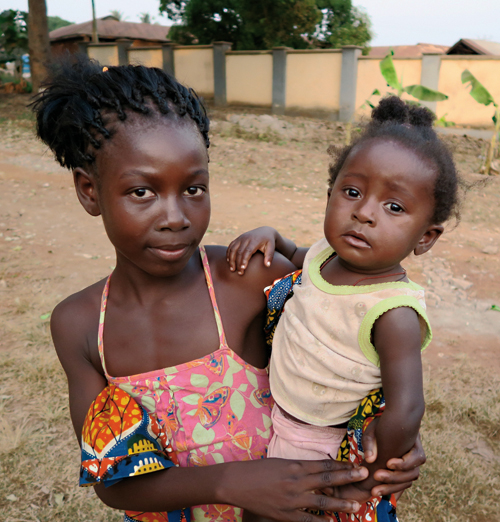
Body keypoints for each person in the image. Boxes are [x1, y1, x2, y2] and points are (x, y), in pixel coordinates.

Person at [32, 59, 425, 522]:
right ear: (89, 190)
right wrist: (231, 483)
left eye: (194, 188)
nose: (176, 216)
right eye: (142, 192)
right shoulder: (79, 326)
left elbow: (349, 354)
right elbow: (114, 483)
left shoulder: (248, 277)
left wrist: (385, 431)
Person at [228, 96, 460, 520]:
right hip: (275, 416)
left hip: (323, 446)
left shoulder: (392, 313)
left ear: (425, 237)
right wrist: (273, 237)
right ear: (330, 193)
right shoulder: (324, 256)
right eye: (352, 192)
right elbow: (299, 255)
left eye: (394, 206)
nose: (364, 213)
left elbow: (407, 409)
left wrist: (368, 478)